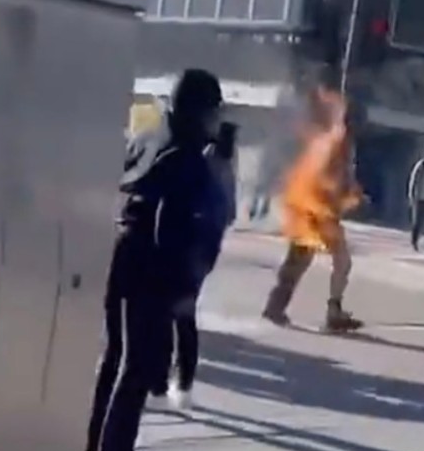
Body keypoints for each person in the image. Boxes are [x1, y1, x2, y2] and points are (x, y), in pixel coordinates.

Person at [83, 69, 224, 451]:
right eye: (213, 111)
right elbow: (174, 224)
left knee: (115, 358)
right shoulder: (186, 157)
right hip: (152, 264)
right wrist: (179, 284)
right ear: (199, 113)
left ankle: (95, 447)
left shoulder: (150, 139)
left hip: (123, 251)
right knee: (140, 363)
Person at [150, 121, 237, 411]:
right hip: (204, 252)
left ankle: (160, 386)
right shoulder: (225, 167)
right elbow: (230, 214)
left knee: (168, 315)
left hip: (188, 249)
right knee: (184, 316)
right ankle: (182, 386)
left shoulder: (203, 163)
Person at [261, 90, 364, 332]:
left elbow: (330, 175)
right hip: (317, 210)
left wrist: (348, 192)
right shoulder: (340, 142)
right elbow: (329, 176)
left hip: (313, 208)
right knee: (337, 260)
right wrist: (345, 192)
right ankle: (331, 312)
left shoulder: (334, 139)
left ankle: (277, 307)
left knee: (303, 260)